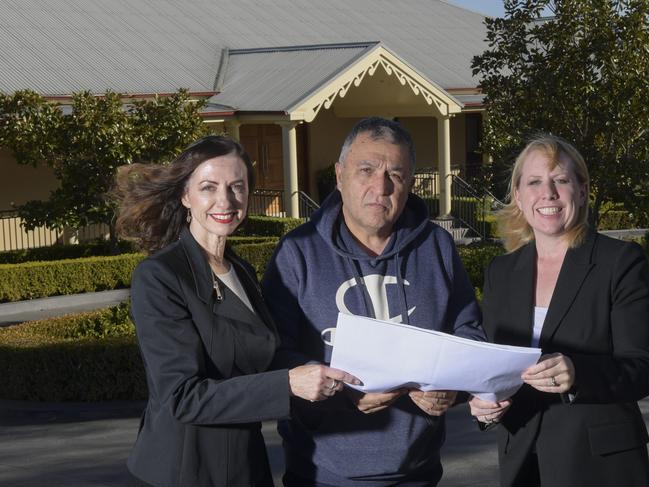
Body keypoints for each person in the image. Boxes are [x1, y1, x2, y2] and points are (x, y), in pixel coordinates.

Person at [113, 135, 358, 487]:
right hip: (186, 472)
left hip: (246, 464)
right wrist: (289, 383)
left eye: (236, 187)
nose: (224, 200)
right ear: (185, 195)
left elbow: (257, 356)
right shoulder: (159, 276)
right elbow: (182, 397)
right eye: (209, 187)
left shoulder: (239, 270)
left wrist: (315, 369)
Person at [262, 117, 485, 486]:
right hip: (321, 474)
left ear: (410, 183)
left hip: (419, 472)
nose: (379, 187)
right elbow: (274, 354)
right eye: (366, 170)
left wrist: (453, 387)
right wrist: (341, 397)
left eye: (395, 174)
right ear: (339, 175)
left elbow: (469, 333)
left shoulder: (437, 247)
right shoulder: (297, 252)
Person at [469, 134, 649, 487]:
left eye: (561, 180)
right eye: (534, 182)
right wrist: (482, 405)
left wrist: (577, 373)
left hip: (600, 466)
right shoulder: (501, 272)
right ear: (518, 197)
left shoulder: (620, 262)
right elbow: (493, 365)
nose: (548, 193)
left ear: (581, 191)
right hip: (521, 460)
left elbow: (642, 366)